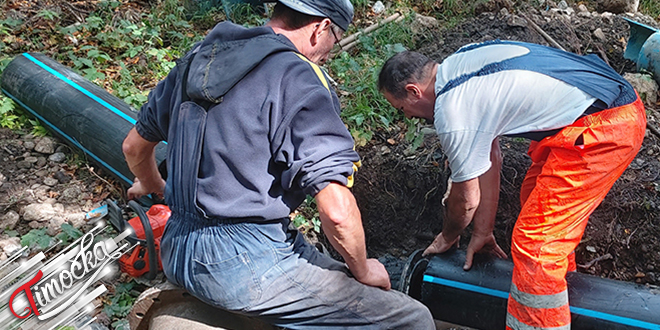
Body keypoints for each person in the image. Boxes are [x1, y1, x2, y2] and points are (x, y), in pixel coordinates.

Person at [122, 0, 434, 328]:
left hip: (178, 250)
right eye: (335, 40)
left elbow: (133, 147)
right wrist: (363, 268)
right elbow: (338, 213)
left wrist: (154, 185)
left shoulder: (198, 58)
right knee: (411, 319)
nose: (330, 51)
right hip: (244, 262)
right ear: (321, 29)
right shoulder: (296, 75)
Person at [377, 41, 646, 330]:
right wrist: (483, 231)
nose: (407, 116)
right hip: (586, 115)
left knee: (537, 244)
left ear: (413, 91)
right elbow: (490, 156)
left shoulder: (453, 112)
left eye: (402, 107)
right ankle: (560, 293)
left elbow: (465, 200)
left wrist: (447, 235)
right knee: (536, 203)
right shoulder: (461, 61)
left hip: (604, 126)